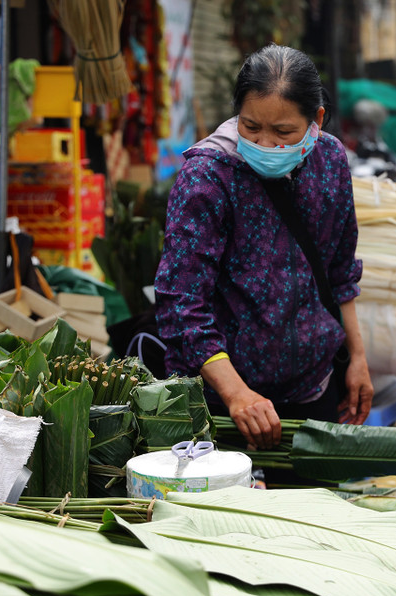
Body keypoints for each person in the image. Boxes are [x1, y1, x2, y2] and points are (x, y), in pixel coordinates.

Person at [155, 44, 374, 453]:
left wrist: (357, 358)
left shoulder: (329, 160)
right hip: (219, 406)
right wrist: (237, 394)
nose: (265, 143)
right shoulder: (207, 176)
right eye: (251, 126)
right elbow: (180, 303)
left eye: (283, 132)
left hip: (313, 389)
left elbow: (340, 272)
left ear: (316, 120)